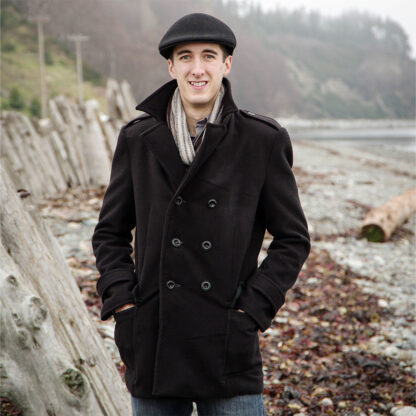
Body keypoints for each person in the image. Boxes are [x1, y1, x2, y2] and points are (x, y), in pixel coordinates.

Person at [92, 12, 310, 416]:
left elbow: (293, 239)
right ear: (171, 67)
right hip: (154, 341)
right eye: (185, 57)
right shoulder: (138, 139)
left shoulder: (261, 140)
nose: (197, 68)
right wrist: (123, 305)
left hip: (227, 343)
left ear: (226, 65)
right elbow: (109, 233)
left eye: (209, 56)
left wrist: (253, 308)